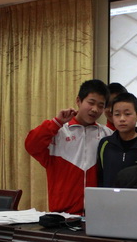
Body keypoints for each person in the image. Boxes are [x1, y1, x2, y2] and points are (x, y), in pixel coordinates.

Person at [25, 79, 112, 214]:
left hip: (97, 214)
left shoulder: (106, 134)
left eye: (101, 106)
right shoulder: (59, 131)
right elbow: (31, 145)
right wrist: (56, 122)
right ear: (78, 101)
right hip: (62, 215)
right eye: (91, 103)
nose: (95, 109)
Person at [97, 92, 137, 187]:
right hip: (109, 196)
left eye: (127, 114)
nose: (122, 119)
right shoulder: (105, 144)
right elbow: (101, 176)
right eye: (117, 114)